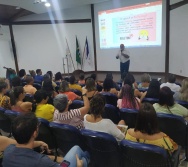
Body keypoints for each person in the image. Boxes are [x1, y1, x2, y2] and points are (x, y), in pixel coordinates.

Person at [2, 113, 90, 167]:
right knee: (79, 153)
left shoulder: (8, 151)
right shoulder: (41, 161)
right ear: (34, 133)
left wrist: (39, 143)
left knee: (78, 151)